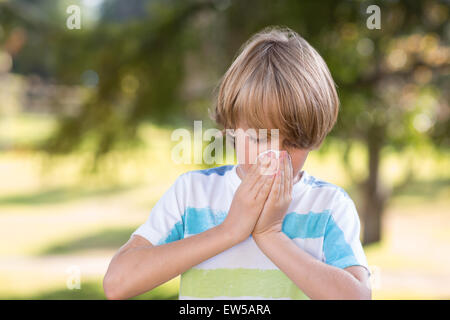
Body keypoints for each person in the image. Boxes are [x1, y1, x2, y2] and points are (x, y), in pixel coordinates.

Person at [103, 26, 372, 300]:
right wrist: (230, 230)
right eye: (259, 138)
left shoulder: (328, 206)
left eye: (294, 142)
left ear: (316, 138)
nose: (275, 157)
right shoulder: (192, 194)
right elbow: (117, 283)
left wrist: (270, 236)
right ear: (231, 127)